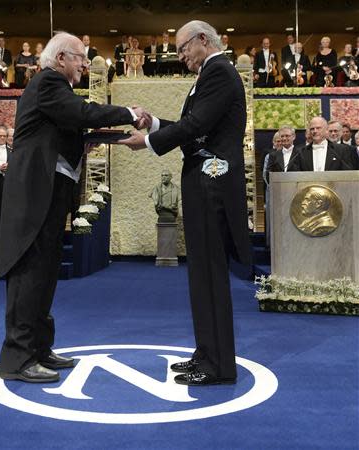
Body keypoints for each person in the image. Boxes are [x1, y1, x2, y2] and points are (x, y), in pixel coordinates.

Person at [0, 31, 146, 383]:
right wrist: (128, 113)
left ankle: (39, 348)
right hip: (34, 195)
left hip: (50, 193)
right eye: (81, 56)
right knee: (30, 270)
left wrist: (98, 139)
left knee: (46, 271)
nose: (84, 63)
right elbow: (79, 113)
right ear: (61, 58)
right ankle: (17, 358)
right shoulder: (48, 82)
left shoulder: (54, 89)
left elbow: (69, 126)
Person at [120, 20, 251, 386]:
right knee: (201, 276)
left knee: (210, 277)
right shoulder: (211, 74)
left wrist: (146, 143)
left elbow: (195, 126)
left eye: (182, 49)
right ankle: (206, 353)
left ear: (203, 40)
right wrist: (155, 123)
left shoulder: (220, 73)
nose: (180, 57)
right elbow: (193, 124)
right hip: (203, 183)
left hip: (212, 183)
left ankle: (219, 366)